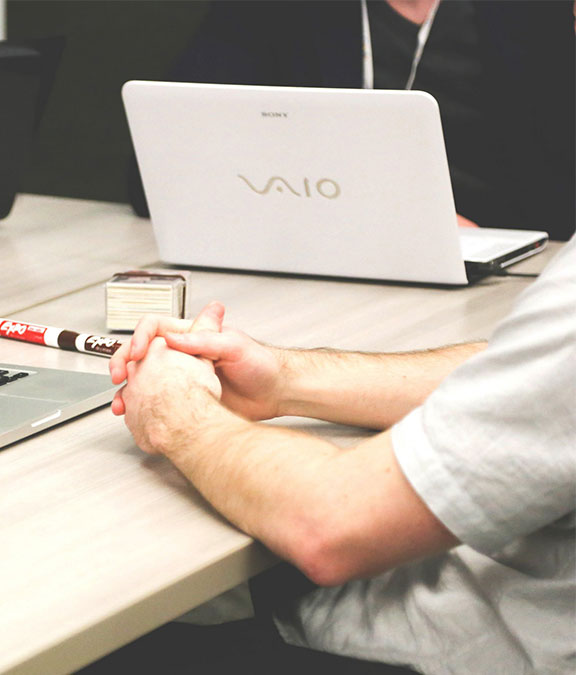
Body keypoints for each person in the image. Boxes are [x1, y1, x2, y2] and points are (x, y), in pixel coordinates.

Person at [101, 240, 575, 673]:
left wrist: (178, 412)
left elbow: (330, 529)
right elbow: (524, 368)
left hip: (461, 647)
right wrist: (285, 379)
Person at [127, 0, 575, 241]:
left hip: (503, 264)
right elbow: (158, 173)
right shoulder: (274, 11)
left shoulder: (538, 16)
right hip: (317, 251)